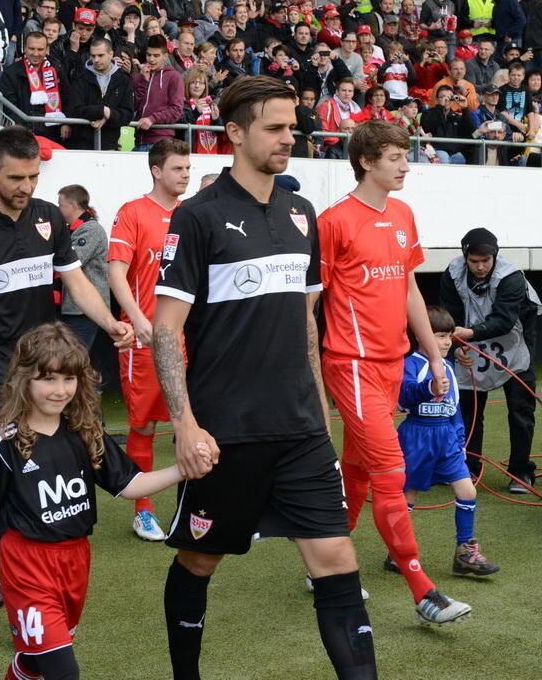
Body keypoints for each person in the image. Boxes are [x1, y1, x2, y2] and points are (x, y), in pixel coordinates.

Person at [153, 76, 377, 680]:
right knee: (200, 561)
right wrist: (185, 425)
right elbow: (166, 327)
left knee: (335, 556)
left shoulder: (302, 212)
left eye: (291, 126)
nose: (288, 138)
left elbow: (306, 319)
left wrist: (321, 406)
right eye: (274, 128)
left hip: (300, 428)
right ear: (235, 133)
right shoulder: (197, 218)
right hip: (227, 432)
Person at [0, 127, 134, 609]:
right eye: (16, 177)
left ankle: (7, 558)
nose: (26, 186)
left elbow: (75, 282)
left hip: (43, 368)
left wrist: (110, 322)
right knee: (9, 462)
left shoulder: (50, 218)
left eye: (33, 176)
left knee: (44, 460)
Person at [0, 322, 197, 680]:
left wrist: (183, 469)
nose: (60, 390)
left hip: (75, 561)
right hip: (27, 565)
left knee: (35, 661)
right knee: (63, 671)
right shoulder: (5, 442)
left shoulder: (84, 430)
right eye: (48, 379)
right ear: (25, 380)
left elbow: (131, 484)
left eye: (69, 379)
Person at [317, 120, 472, 625]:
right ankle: (422, 589)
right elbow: (308, 304)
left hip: (394, 366)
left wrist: (433, 356)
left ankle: (327, 562)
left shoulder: (403, 213)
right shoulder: (335, 221)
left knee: (359, 470)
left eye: (407, 155)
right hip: (352, 365)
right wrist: (311, 376)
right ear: (366, 162)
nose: (407, 165)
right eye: (395, 157)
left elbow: (409, 290)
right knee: (390, 473)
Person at [108, 138, 190, 542]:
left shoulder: (193, 215)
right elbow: (116, 272)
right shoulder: (133, 212)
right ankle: (143, 510)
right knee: (144, 427)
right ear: (157, 170)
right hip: (146, 341)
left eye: (188, 169)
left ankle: (192, 506)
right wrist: (137, 318)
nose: (185, 175)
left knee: (188, 423)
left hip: (191, 340)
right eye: (178, 168)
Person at [396, 305, 501, 576]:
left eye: (448, 336)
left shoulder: (450, 368)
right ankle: (398, 553)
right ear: (421, 335)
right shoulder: (411, 364)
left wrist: (459, 442)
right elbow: (403, 398)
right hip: (417, 437)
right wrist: (428, 388)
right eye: (440, 336)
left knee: (468, 491)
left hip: (447, 440)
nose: (445, 342)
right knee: (408, 496)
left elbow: (454, 410)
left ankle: (465, 553)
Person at [439, 228, 540, 494]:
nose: (480, 266)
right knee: (469, 410)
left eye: (486, 260)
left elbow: (505, 320)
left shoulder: (512, 276)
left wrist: (468, 334)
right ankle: (470, 468)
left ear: (495, 256)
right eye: (474, 261)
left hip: (514, 347)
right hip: (472, 342)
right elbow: (451, 314)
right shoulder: (453, 273)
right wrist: (456, 347)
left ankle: (521, 471)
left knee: (521, 411)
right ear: (465, 257)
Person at [56, 185, 108, 350]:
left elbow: (71, 261)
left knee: (74, 358)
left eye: (60, 205)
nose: (58, 209)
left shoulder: (90, 230)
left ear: (73, 205)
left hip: (83, 310)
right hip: (73, 309)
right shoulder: (72, 230)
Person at [63, 37, 135, 150]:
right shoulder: (80, 77)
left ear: (111, 54)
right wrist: (102, 111)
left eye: (100, 55)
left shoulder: (124, 79)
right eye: (92, 56)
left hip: (109, 144)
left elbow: (128, 114)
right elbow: (74, 110)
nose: (95, 60)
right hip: (80, 144)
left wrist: (109, 115)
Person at [133, 34, 184, 151]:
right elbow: (133, 107)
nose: (151, 59)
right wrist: (143, 82)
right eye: (149, 55)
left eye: (156, 55)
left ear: (165, 56)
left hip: (163, 142)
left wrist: (152, 119)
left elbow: (176, 110)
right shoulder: (138, 77)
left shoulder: (174, 77)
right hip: (139, 140)